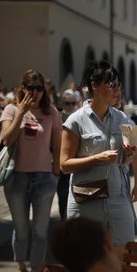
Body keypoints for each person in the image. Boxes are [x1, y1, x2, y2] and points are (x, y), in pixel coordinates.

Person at [60, 61, 137, 261]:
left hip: (118, 196)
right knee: (86, 259)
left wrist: (129, 154)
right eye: (112, 85)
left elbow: (126, 162)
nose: (117, 90)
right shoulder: (75, 120)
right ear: (94, 86)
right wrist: (97, 158)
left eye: (119, 85)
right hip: (87, 198)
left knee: (124, 254)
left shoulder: (122, 119)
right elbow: (64, 165)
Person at [0, 70, 61, 272]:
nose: (35, 92)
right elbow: (7, 140)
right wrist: (21, 113)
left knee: (40, 230)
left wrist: (56, 170)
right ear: (23, 88)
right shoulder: (11, 109)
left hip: (44, 179)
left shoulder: (52, 112)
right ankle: (21, 265)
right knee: (22, 230)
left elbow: (57, 143)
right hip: (16, 179)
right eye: (31, 88)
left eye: (39, 88)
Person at [56, 89, 81, 220]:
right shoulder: (57, 117)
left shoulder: (81, 117)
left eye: (73, 103)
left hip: (79, 163)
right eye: (67, 103)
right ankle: (64, 223)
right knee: (63, 196)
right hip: (62, 165)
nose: (70, 106)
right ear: (62, 103)